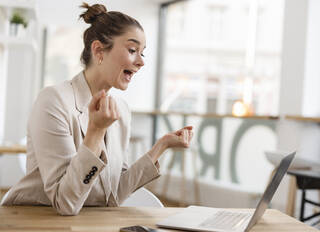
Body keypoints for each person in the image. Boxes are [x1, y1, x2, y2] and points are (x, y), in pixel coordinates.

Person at [1, 3, 193, 215]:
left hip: (87, 226)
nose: (141, 62)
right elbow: (64, 202)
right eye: (132, 50)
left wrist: (162, 145)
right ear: (99, 50)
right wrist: (96, 131)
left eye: (142, 53)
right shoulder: (53, 101)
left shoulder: (120, 110)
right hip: (34, 224)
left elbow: (113, 195)